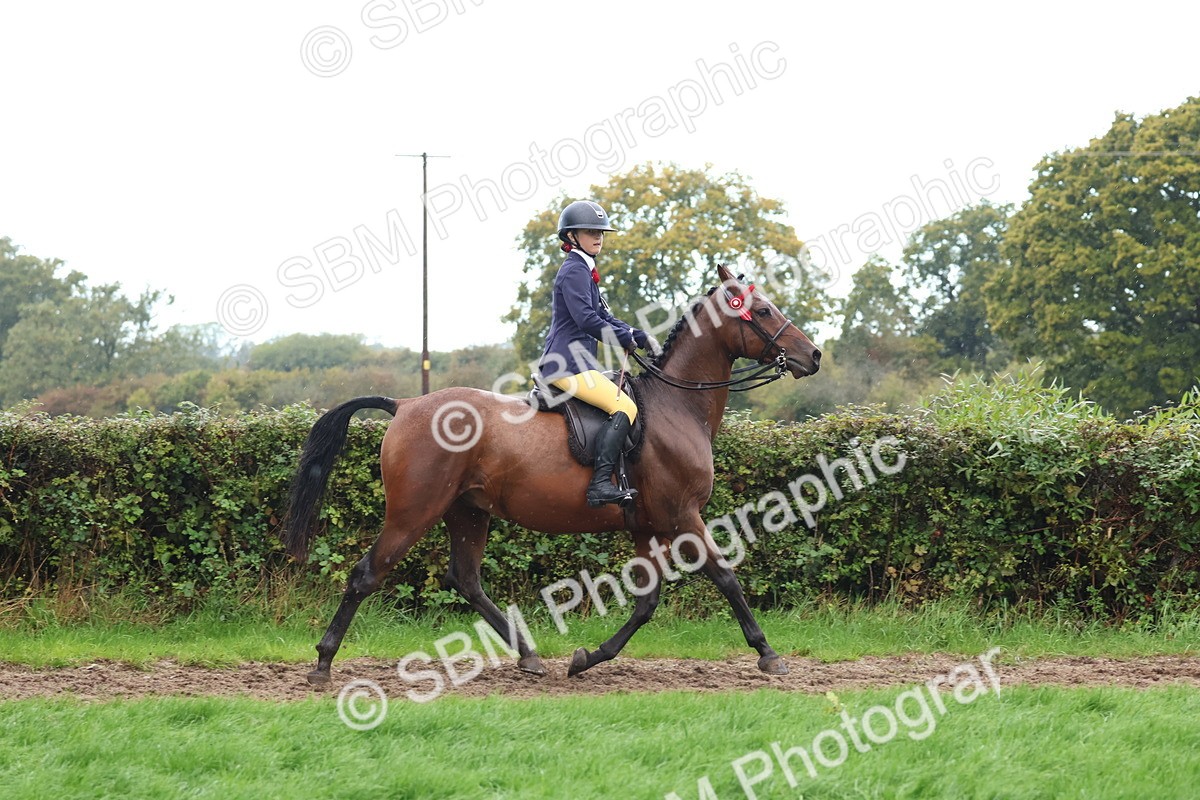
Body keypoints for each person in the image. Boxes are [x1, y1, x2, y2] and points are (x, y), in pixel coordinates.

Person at [536, 200, 659, 508]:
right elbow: (587, 321)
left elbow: (603, 316)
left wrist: (638, 335)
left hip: (577, 363)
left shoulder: (583, 269)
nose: (598, 237)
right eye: (591, 232)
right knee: (625, 407)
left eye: (601, 232)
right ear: (572, 236)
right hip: (567, 364)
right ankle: (600, 484)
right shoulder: (574, 271)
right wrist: (624, 339)